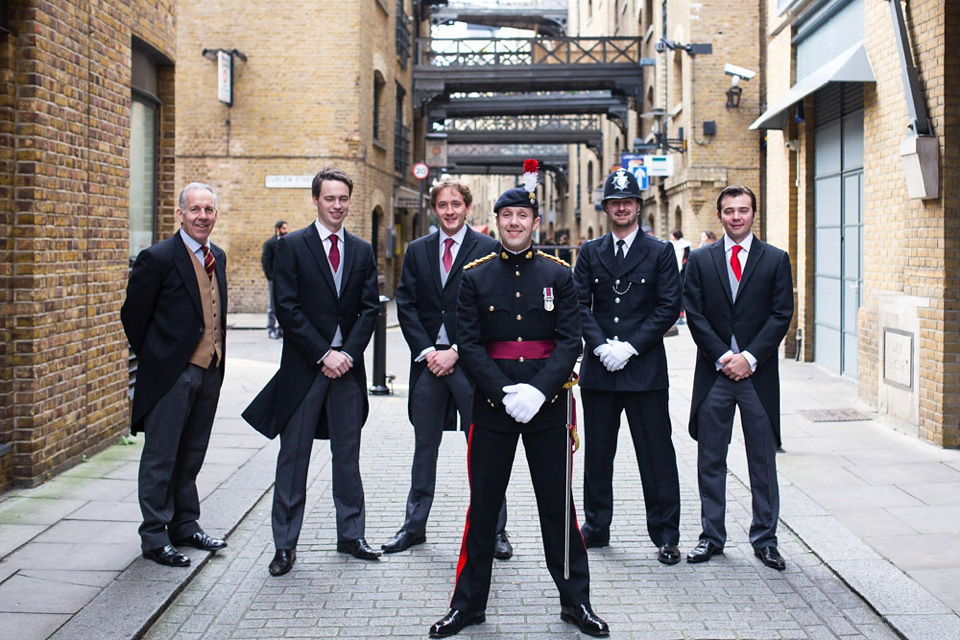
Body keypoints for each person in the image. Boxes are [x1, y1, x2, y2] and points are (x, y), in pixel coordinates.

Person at [429, 161, 608, 638]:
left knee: (558, 509)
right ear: (497, 219)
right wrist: (503, 393)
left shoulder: (560, 274)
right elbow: (468, 344)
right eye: (506, 216)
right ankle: (468, 606)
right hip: (493, 408)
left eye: (522, 217)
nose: (513, 223)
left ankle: (576, 604)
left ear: (534, 222)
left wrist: (538, 390)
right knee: (483, 510)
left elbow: (571, 341)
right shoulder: (475, 276)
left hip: (547, 408)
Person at [242, 167, 381, 576]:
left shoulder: (361, 250)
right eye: (329, 199)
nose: (336, 206)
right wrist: (324, 354)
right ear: (316, 200)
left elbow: (370, 308)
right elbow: (287, 308)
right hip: (305, 369)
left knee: (348, 457)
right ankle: (284, 545)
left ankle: (351, 535)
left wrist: (348, 355)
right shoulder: (292, 247)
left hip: (348, 371)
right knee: (294, 457)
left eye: (342, 199)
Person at [386, 180, 512, 558]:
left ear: (467, 208)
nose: (450, 211)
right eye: (443, 205)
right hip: (429, 365)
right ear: (434, 209)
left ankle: (495, 532)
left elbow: (493, 308)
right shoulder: (417, 250)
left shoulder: (488, 248)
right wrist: (427, 351)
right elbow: (405, 303)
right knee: (424, 447)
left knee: (485, 449)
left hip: (470, 364)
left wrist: (457, 351)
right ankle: (414, 527)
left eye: (456, 204)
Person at [572, 168, 682, 564]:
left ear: (638, 206)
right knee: (598, 455)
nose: (622, 208)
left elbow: (669, 305)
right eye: (615, 202)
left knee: (656, 455)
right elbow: (579, 304)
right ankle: (596, 526)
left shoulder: (660, 252)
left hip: (645, 371)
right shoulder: (590, 251)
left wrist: (630, 348)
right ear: (607, 208)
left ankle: (666, 533)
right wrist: (600, 346)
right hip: (601, 371)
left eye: (629, 202)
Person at [682, 185, 794, 571]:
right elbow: (693, 314)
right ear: (719, 216)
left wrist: (748, 357)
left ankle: (765, 539)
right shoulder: (699, 260)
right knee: (710, 460)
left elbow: (781, 314)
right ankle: (711, 537)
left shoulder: (776, 259)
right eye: (728, 210)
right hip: (715, 377)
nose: (736, 217)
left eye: (743, 210)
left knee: (761, 462)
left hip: (756, 378)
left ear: (754, 214)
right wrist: (723, 356)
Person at [121, 182, 229, 567]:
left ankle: (185, 525)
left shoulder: (217, 256)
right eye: (195, 209)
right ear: (180, 214)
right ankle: (154, 535)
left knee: (191, 455)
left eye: (209, 210)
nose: (202, 216)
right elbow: (132, 316)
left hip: (209, 371)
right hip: (172, 375)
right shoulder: (158, 257)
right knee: (161, 456)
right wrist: (161, 358)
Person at [261, 220, 289, 339]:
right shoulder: (269, 243)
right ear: (277, 229)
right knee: (272, 305)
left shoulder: (288, 243)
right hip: (274, 280)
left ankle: (281, 329)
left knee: (283, 304)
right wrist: (270, 277)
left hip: (284, 279)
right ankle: (271, 329)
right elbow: (265, 261)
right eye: (284, 229)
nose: (286, 231)